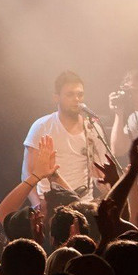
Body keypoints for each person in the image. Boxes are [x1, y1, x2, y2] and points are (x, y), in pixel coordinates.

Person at [21, 71, 104, 204]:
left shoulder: (93, 129)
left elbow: (101, 174)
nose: (76, 99)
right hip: (50, 203)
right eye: (70, 94)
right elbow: (27, 173)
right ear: (56, 97)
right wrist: (37, 205)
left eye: (80, 94)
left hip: (84, 204)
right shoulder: (42, 126)